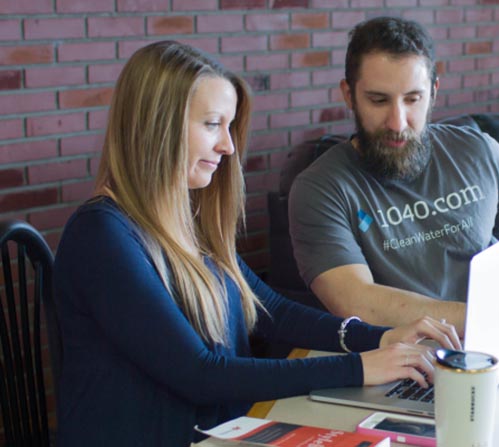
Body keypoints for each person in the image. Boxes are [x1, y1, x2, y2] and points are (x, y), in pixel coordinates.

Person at [53, 40, 460, 447]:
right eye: (213, 124)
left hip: (219, 433)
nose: (228, 146)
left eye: (228, 127)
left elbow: (272, 310)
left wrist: (380, 338)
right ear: (156, 126)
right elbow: (201, 374)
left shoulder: (187, 223)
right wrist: (360, 367)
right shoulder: (101, 236)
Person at [288, 17, 499, 340]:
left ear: (433, 91)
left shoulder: (478, 151)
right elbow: (356, 301)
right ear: (349, 95)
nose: (397, 121)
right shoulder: (320, 188)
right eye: (378, 100)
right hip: (403, 361)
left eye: (412, 99)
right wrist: (492, 316)